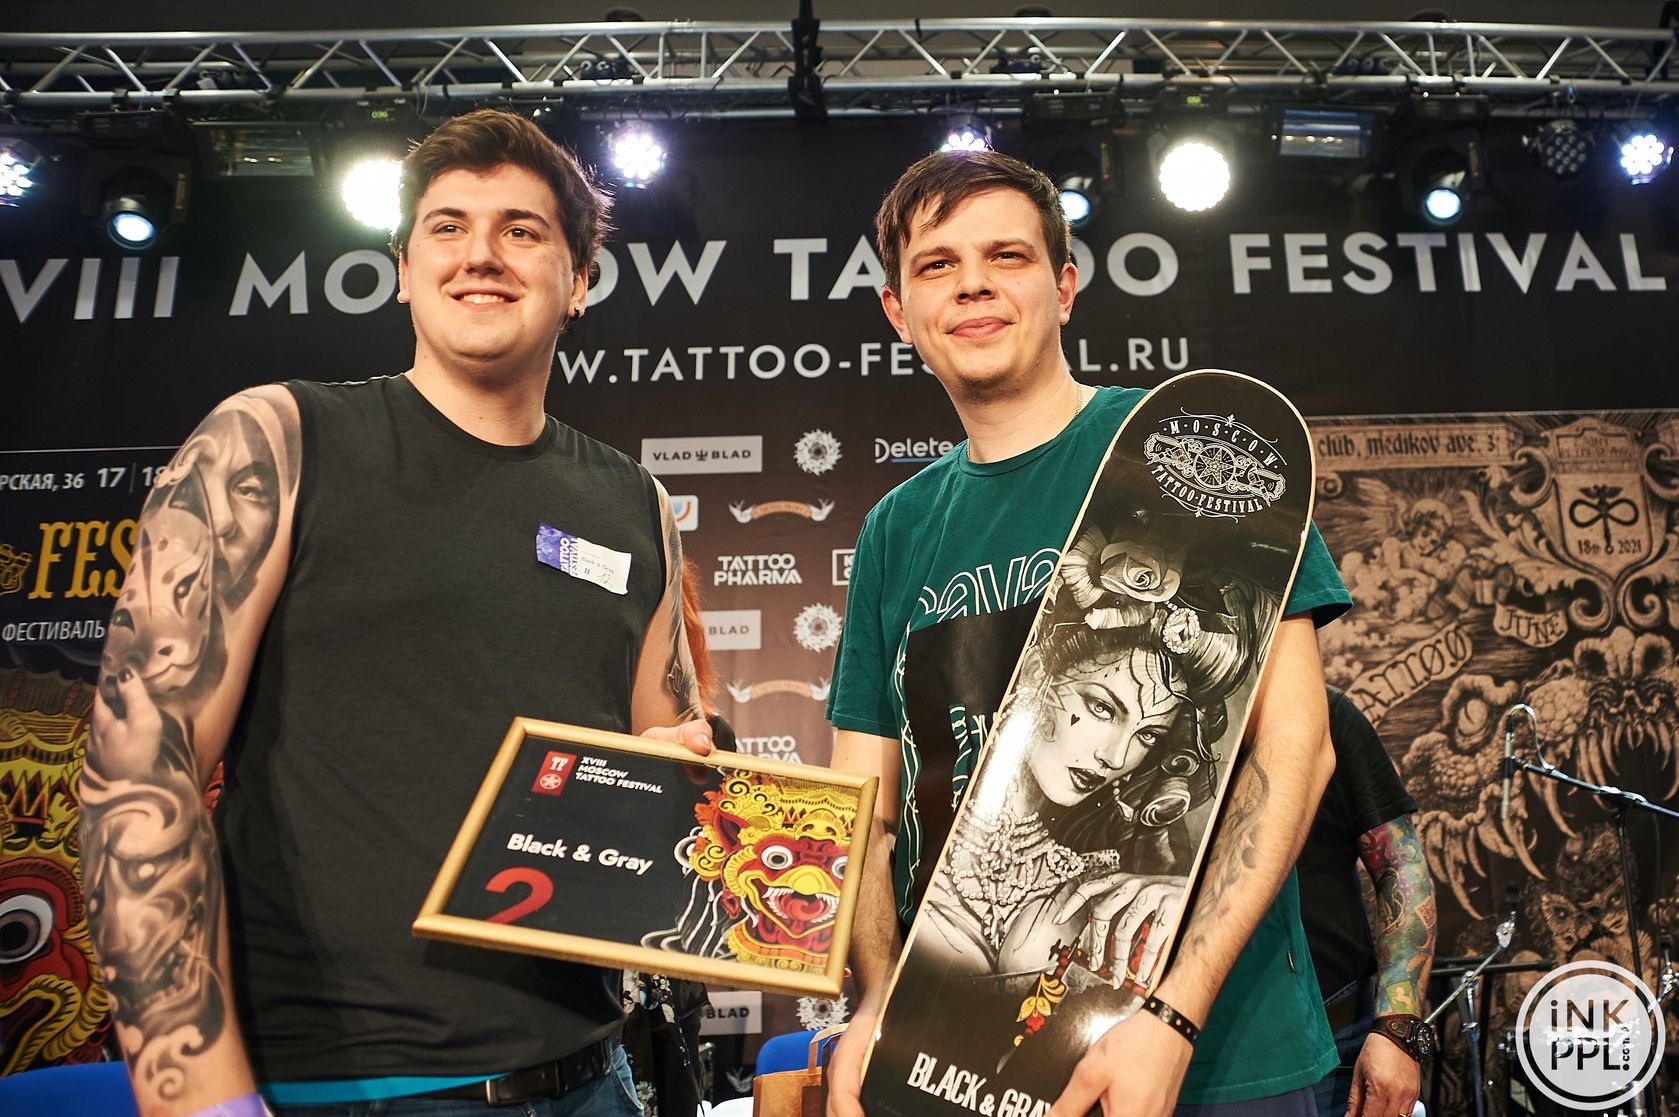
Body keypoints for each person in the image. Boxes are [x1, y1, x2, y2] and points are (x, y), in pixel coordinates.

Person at [80, 108, 713, 1117]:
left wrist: (684, 781)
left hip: (591, 1072)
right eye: (447, 227)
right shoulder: (277, 440)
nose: (480, 254)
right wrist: (194, 1094)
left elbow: (661, 756)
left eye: (521, 230)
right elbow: (138, 769)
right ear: (405, 270)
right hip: (348, 1086)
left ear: (580, 280)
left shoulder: (633, 501)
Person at [824, 149, 1352, 1117]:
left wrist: (1172, 1015)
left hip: (1220, 1061)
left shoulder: (1189, 454)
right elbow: (865, 806)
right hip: (971, 1062)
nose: (972, 283)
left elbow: (1295, 749)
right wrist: (874, 1003)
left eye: (1006, 256)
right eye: (937, 264)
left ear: (1063, 287)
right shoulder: (897, 527)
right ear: (898, 312)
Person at [922, 530, 1269, 983]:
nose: (1116, 756)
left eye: (1147, 735)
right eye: (1103, 708)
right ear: (1037, 673)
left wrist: (1195, 903)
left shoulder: (1103, 880)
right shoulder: (920, 820)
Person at [1298, 687, 1437, 1117]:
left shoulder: (1325, 714)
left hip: (1333, 1033)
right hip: (1186, 1039)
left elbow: (1401, 868)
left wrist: (1398, 1030)